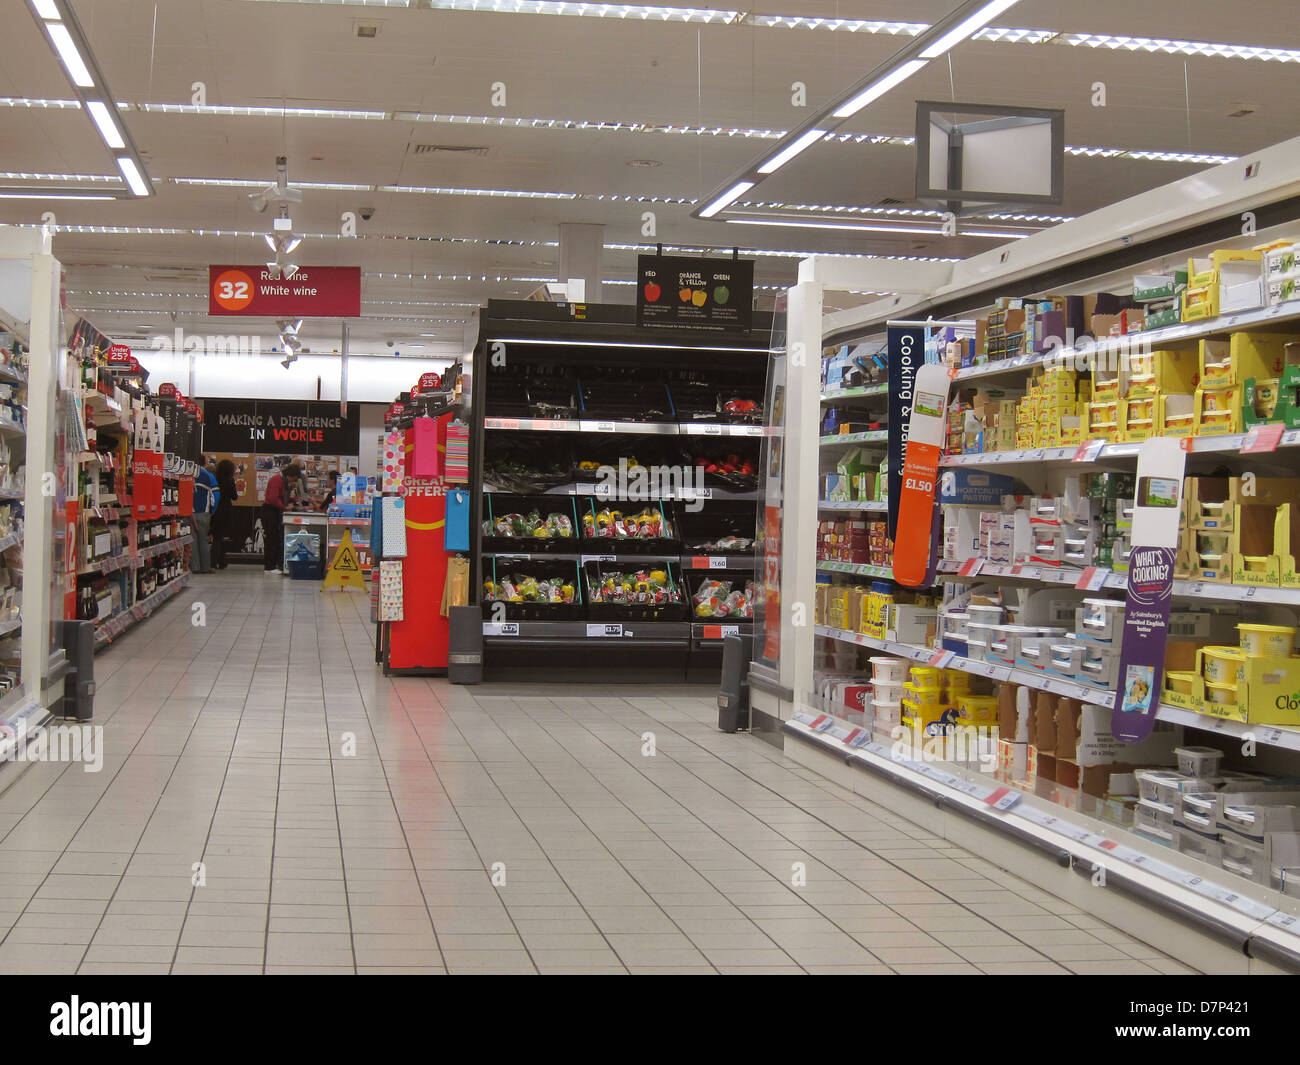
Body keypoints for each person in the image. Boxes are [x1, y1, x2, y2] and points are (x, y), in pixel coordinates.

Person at [261, 462, 301, 574]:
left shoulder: (281, 480)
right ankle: (269, 567)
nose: (293, 481)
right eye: (294, 479)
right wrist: (285, 507)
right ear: (291, 476)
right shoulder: (277, 480)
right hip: (269, 511)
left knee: (275, 538)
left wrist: (293, 500)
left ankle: (273, 565)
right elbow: (274, 498)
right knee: (271, 538)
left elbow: (280, 496)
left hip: (274, 510)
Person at [191, 457, 218, 574]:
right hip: (204, 513)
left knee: (192, 541)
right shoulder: (208, 476)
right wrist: (212, 511)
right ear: (205, 463)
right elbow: (215, 496)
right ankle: (205, 567)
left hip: (188, 512)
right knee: (204, 541)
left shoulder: (187, 474)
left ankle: (195, 567)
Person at [211, 458, 237, 570]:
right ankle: (221, 561)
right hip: (226, 510)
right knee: (221, 537)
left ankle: (213, 561)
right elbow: (234, 497)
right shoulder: (230, 481)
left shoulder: (215, 479)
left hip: (215, 509)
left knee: (215, 537)